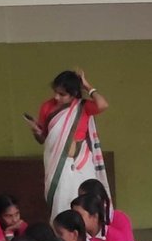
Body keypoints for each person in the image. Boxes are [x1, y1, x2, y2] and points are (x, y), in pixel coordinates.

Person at [27, 69, 108, 218]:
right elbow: (43, 139)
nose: (56, 97)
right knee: (60, 202)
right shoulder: (47, 107)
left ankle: (87, 236)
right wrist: (36, 131)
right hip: (57, 163)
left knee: (85, 201)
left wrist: (87, 86)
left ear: (74, 93)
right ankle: (62, 237)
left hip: (82, 162)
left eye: (62, 94)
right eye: (55, 92)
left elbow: (102, 105)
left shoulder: (83, 106)